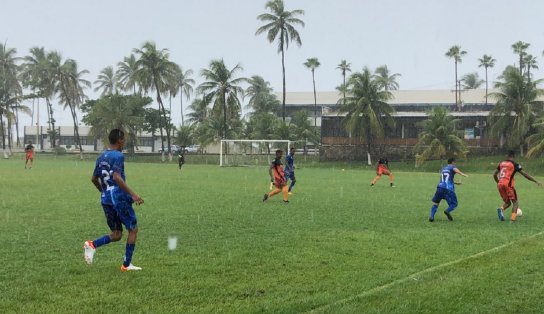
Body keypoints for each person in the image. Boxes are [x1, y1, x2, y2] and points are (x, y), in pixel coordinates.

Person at [84, 129, 144, 272]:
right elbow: (117, 177)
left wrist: (104, 191)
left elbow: (93, 179)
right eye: (123, 140)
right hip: (119, 198)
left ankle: (92, 244)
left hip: (106, 199)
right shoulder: (118, 156)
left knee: (117, 234)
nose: (124, 142)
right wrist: (133, 195)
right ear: (119, 140)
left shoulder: (101, 157)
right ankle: (126, 265)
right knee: (133, 229)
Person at [493, 150, 541, 222]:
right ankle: (512, 220)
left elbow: (494, 174)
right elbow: (525, 175)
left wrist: (498, 182)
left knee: (508, 203)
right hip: (508, 185)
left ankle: (500, 209)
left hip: (500, 184)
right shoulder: (515, 164)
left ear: (507, 156)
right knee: (515, 202)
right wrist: (535, 181)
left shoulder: (501, 163)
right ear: (513, 156)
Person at [428, 157, 468, 222]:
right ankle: (447, 211)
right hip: (448, 189)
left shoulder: (443, 169)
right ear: (452, 162)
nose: (455, 164)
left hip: (440, 187)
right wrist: (463, 174)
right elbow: (456, 170)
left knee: (436, 203)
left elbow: (445, 179)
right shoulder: (452, 167)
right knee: (454, 204)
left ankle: (432, 216)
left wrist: (456, 183)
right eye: (455, 162)